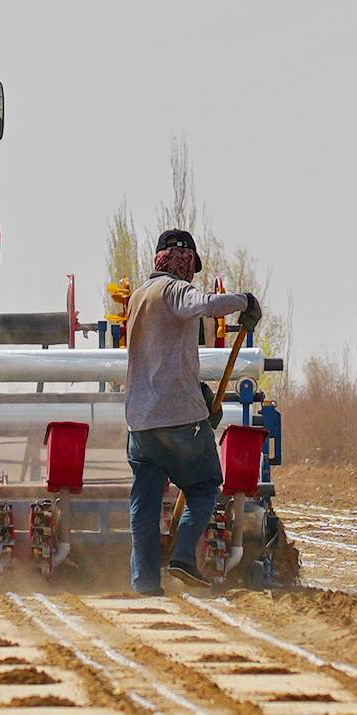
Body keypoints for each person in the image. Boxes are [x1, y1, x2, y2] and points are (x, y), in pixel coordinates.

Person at [123, 228, 258, 595]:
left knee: (144, 504)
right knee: (204, 485)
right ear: (183, 259)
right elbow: (205, 304)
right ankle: (183, 557)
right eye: (190, 264)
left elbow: (161, 358)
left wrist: (199, 394)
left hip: (140, 422)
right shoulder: (174, 290)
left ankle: (144, 583)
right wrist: (244, 301)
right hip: (179, 417)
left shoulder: (139, 297)